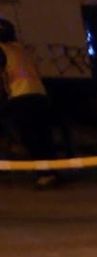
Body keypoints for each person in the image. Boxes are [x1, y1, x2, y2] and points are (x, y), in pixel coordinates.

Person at [0, 19, 59, 188]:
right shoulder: (21, 49)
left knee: (31, 137)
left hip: (20, 97)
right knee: (43, 136)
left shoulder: (2, 50)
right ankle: (52, 171)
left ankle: (44, 174)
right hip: (39, 95)